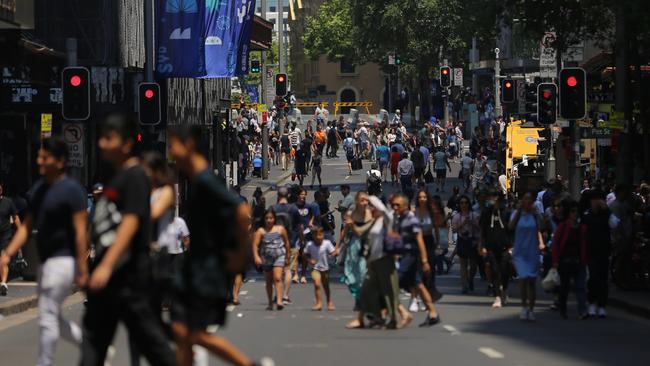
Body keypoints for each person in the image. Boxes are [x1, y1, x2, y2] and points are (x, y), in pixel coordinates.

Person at [82, 112, 176, 365]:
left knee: (153, 345)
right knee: (92, 345)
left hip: (129, 278)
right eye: (101, 138)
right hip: (109, 281)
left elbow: (131, 222)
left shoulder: (135, 176)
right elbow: (103, 222)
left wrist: (106, 264)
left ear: (126, 143)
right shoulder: (114, 176)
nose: (102, 144)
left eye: (108, 138)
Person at [168, 125, 266, 366]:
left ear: (189, 145)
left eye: (174, 146)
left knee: (194, 333)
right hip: (196, 269)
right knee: (182, 332)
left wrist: (238, 255)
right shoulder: (199, 180)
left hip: (207, 271)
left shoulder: (206, 180)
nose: (171, 152)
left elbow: (242, 212)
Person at [0, 137, 86, 366]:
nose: (38, 160)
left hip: (64, 262)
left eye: (44, 157)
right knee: (51, 316)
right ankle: (91, 347)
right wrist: (8, 253)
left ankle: (44, 362)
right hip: (46, 264)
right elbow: (27, 226)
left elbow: (80, 232)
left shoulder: (73, 191)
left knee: (47, 317)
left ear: (59, 161)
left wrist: (82, 268)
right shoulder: (38, 190)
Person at [350, 196, 404, 329]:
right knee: (366, 290)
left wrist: (370, 197)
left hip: (384, 260)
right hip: (373, 261)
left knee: (389, 291)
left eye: (371, 206)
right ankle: (376, 316)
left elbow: (383, 210)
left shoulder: (387, 219)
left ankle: (392, 319)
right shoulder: (376, 221)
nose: (369, 208)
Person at [392, 193, 440, 327]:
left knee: (392, 283)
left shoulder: (411, 220)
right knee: (418, 284)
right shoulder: (400, 219)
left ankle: (396, 314)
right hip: (405, 255)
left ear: (406, 205)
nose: (395, 207)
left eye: (398, 205)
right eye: (393, 205)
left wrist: (424, 261)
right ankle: (433, 313)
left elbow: (419, 240)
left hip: (411, 256)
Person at [509, 192, 545, 322]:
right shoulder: (517, 214)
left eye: (530, 200)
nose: (528, 202)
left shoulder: (535, 215)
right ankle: (524, 306)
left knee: (531, 282)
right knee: (523, 279)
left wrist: (537, 214)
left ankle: (531, 309)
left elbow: (542, 227)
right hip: (520, 252)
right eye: (525, 199)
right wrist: (518, 211)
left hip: (532, 251)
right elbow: (510, 226)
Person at [552, 200, 588, 320]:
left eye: (577, 212)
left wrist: (584, 260)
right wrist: (556, 261)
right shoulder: (563, 226)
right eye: (573, 211)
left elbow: (584, 245)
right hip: (565, 262)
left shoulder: (582, 228)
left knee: (580, 287)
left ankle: (582, 310)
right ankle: (563, 309)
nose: (575, 214)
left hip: (578, 262)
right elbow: (556, 243)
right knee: (565, 287)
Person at [252, 209, 291, 311]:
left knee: (277, 278)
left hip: (279, 256)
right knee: (269, 280)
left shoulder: (280, 229)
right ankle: (270, 302)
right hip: (266, 258)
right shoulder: (261, 231)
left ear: (274, 219)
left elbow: (286, 243)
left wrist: (287, 256)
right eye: (267, 218)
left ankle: (279, 301)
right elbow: (255, 245)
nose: (269, 220)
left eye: (271, 218)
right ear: (264, 219)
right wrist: (256, 257)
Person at [479, 192, 512, 308]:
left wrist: (512, 246)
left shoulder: (507, 212)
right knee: (495, 270)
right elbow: (482, 230)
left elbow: (511, 229)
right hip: (491, 247)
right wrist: (482, 245)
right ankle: (497, 296)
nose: (493, 200)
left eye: (495, 198)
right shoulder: (487, 213)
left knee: (504, 270)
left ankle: (505, 289)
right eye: (491, 197)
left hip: (505, 247)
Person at [339, 191, 373, 304]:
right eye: (362, 200)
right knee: (351, 274)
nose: (364, 203)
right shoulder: (351, 214)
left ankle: (364, 299)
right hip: (354, 245)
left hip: (368, 245)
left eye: (366, 200)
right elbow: (345, 232)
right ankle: (359, 296)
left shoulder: (371, 212)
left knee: (364, 273)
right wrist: (338, 247)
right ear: (357, 201)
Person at [582, 190, 612, 318]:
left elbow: (615, 224)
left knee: (603, 279)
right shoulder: (586, 216)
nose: (596, 202)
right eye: (594, 200)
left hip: (604, 251)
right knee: (592, 278)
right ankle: (592, 303)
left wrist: (607, 210)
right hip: (590, 251)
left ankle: (602, 305)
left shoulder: (606, 215)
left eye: (598, 200)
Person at [412, 190, 442, 311]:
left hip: (429, 242)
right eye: (420, 197)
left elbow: (436, 229)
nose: (422, 199)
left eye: (424, 197)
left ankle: (427, 298)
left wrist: (438, 244)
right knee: (417, 270)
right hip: (416, 243)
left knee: (429, 271)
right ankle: (415, 299)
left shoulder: (431, 212)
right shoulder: (414, 212)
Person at [272, 187, 302, 305]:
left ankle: (277, 294)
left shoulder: (273, 209)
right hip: (291, 241)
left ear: (278, 196)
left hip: (275, 243)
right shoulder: (293, 208)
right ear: (288, 195)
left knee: (276, 269)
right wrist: (302, 239)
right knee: (288, 269)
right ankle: (285, 295)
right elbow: (299, 226)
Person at [305, 227, 338, 311]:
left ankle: (329, 301)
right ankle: (318, 303)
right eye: (316, 235)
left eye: (320, 235)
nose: (318, 237)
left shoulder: (327, 243)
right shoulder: (310, 245)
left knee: (326, 286)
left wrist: (335, 253)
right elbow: (305, 254)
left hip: (325, 268)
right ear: (313, 236)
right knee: (317, 285)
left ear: (323, 235)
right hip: (315, 269)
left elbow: (332, 252)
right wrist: (310, 260)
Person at [452, 196, 480, 294]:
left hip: (472, 241)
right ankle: (464, 285)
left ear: (469, 204)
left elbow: (480, 227)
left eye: (466, 203)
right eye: (462, 203)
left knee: (473, 266)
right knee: (463, 265)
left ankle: (470, 278)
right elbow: (454, 229)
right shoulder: (456, 216)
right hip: (462, 240)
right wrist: (463, 223)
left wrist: (473, 223)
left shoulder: (474, 215)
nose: (464, 205)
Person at [295, 188, 320, 284]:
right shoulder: (294, 207)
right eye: (301, 194)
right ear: (298, 195)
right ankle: (296, 274)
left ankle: (304, 275)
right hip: (296, 234)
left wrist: (311, 222)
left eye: (304, 194)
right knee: (296, 255)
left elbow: (314, 215)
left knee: (305, 254)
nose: (303, 196)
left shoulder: (309, 206)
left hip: (306, 233)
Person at [0, 181, 21, 295]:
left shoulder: (8, 202)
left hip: (5, 235)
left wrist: (21, 231)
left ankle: (3, 283)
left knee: (3, 258)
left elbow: (15, 217)